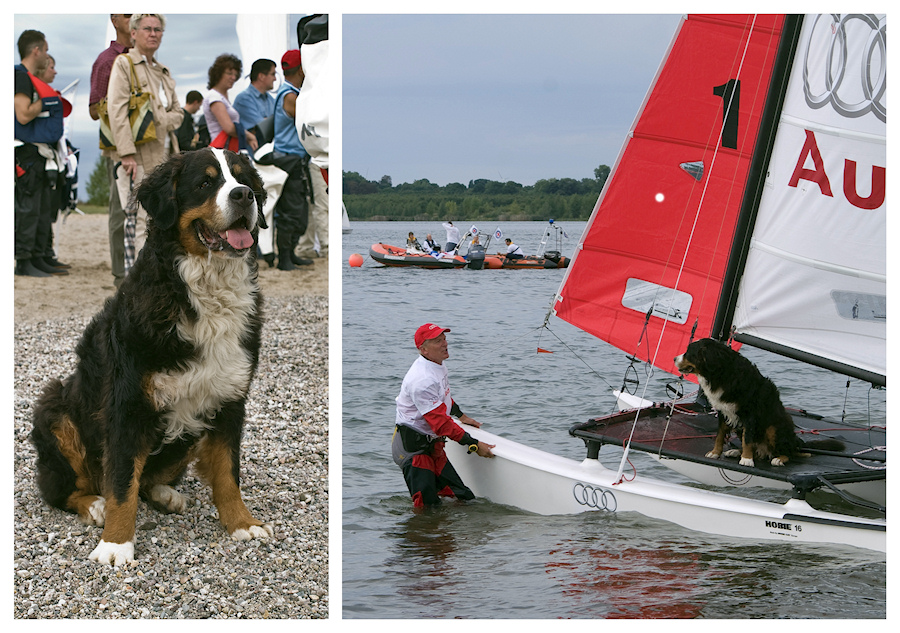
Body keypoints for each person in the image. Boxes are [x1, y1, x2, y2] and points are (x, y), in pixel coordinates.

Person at [106, 14, 183, 273]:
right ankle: (137, 279)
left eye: (158, 29)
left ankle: (156, 275)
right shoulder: (124, 64)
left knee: (162, 216)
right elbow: (117, 110)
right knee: (137, 219)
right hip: (136, 155)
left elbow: (178, 113)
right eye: (148, 29)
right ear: (134, 32)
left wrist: (160, 118)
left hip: (165, 154)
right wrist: (126, 153)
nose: (153, 34)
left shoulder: (162, 71)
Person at [392, 323, 495, 510]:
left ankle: (443, 535)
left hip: (432, 444)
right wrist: (474, 444)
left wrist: (461, 416)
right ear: (423, 349)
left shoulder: (438, 364)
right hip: (413, 449)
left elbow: (443, 398)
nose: (444, 344)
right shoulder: (421, 379)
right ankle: (423, 537)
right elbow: (440, 423)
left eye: (444, 339)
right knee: (427, 508)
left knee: (463, 498)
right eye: (438, 341)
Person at [15, 29, 66, 277]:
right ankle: (24, 261)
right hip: (25, 153)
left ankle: (36, 256)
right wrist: (46, 102)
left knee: (40, 209)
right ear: (36, 50)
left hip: (37, 154)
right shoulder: (20, 77)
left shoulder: (27, 78)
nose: (47, 56)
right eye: (45, 50)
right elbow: (23, 114)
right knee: (29, 209)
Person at [88, 13, 131, 286]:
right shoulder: (107, 60)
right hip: (117, 146)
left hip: (146, 144)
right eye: (128, 15)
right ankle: (120, 274)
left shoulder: (143, 58)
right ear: (115, 20)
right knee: (120, 211)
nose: (134, 19)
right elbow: (93, 110)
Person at [271, 50, 313, 270]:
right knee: (290, 211)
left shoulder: (287, 92)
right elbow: (307, 120)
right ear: (301, 69)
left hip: (292, 159)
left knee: (298, 211)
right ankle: (284, 257)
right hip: (289, 160)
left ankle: (290, 252)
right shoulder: (290, 96)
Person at [203, 53, 257, 154]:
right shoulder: (214, 97)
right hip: (222, 151)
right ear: (218, 73)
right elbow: (229, 128)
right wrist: (249, 136)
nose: (233, 77)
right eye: (229, 73)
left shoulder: (222, 97)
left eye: (235, 75)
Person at [233, 58, 276, 139]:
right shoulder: (243, 99)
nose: (275, 79)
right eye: (273, 74)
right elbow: (264, 127)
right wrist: (270, 121)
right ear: (261, 76)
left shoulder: (270, 99)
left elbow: (277, 123)